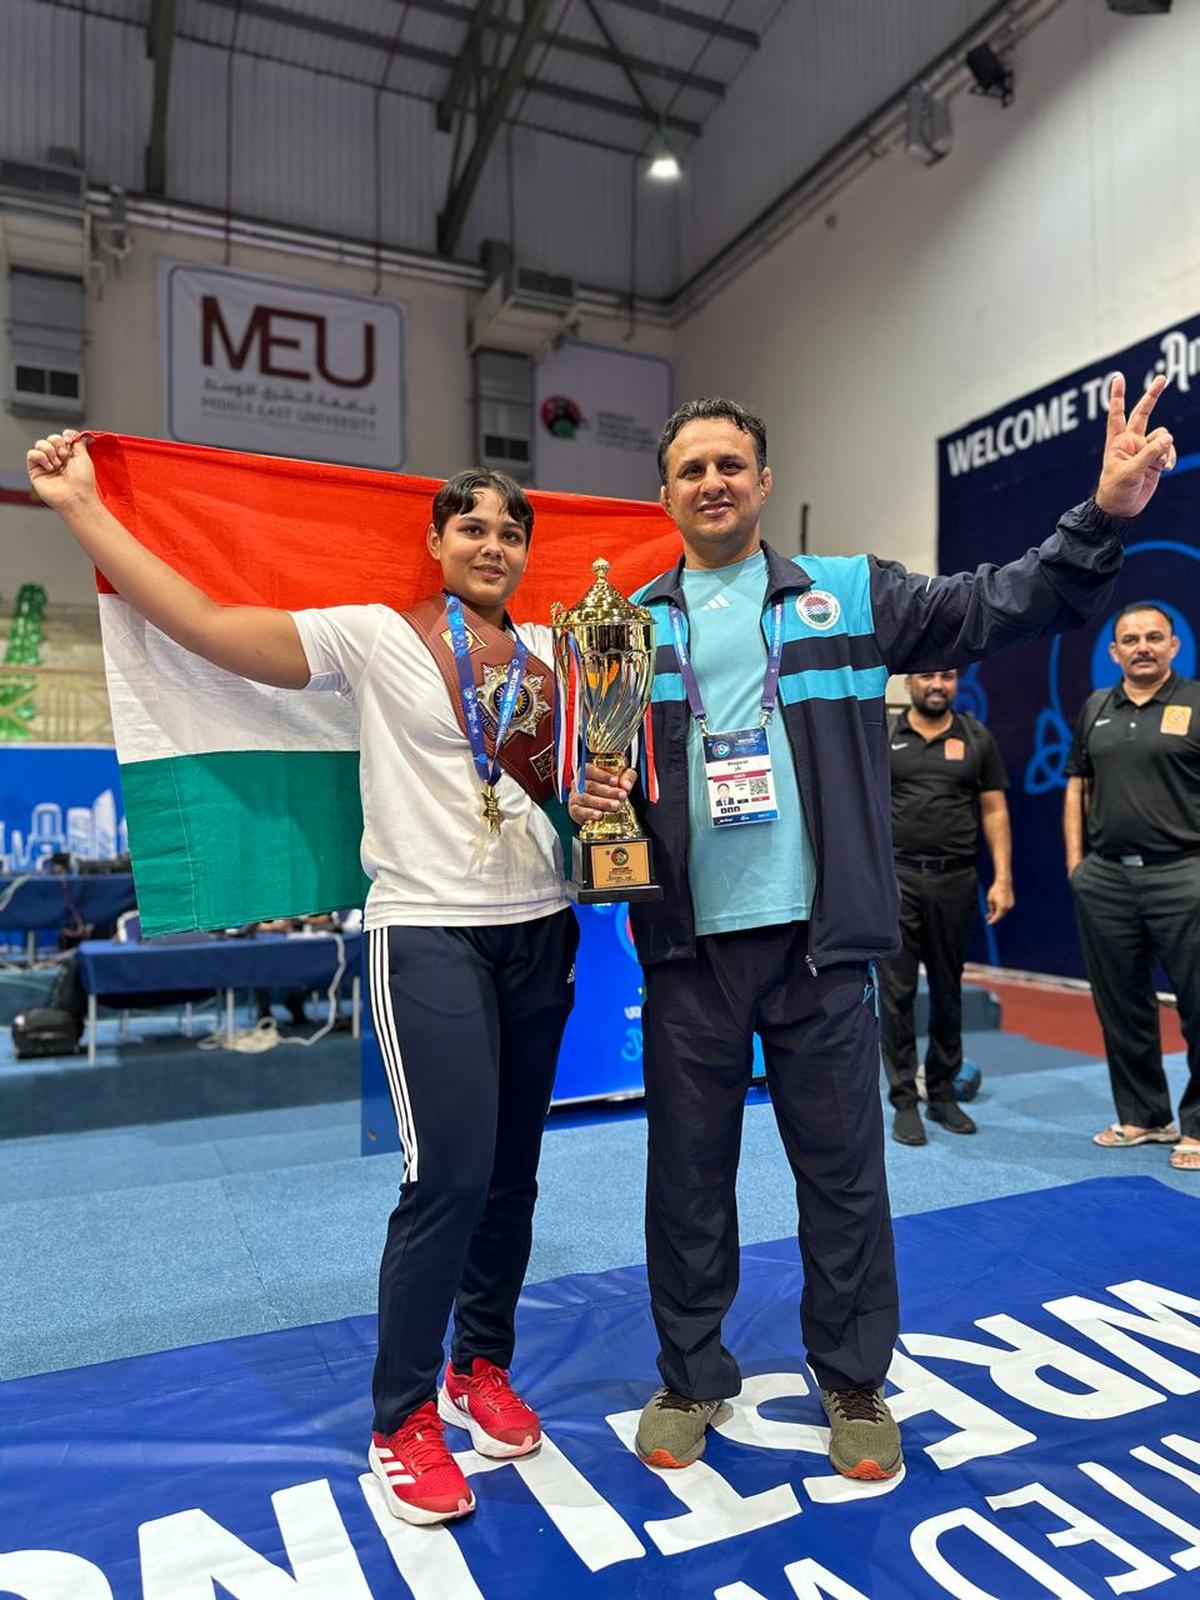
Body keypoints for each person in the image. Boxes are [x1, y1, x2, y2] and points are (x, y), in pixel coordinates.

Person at [569, 378, 1175, 1482]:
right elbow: (593, 773)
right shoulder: (623, 624)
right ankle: (692, 1370)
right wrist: (593, 798)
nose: (711, 480)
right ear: (662, 492)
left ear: (764, 482)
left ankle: (852, 1377)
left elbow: (999, 601)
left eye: (729, 463)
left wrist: (1101, 512)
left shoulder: (844, 595)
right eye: (690, 467)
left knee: (845, 1174)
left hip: (820, 940)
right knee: (685, 1175)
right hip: (688, 948)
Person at [26, 432, 579, 1526]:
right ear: (434, 540)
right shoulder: (380, 637)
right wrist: (83, 512)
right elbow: (213, 630)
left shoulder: (561, 652)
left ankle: (481, 1366)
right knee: (450, 1175)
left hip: (541, 927)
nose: (492, 541)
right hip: (427, 930)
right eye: (471, 523)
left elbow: (586, 776)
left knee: (513, 1175)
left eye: (511, 530)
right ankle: (401, 1417)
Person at [1064, 601, 1200, 1173]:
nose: (1142, 646)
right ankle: (1146, 1115)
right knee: (1122, 1006)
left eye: (1153, 637)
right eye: (1129, 639)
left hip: (1184, 874)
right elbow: (1077, 787)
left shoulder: (1195, 704)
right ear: (1114, 652)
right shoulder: (1097, 706)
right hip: (1108, 880)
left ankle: (1196, 1127)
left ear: (1173, 646)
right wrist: (1077, 864)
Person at [880, 669, 1012, 1145]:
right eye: (928, 675)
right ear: (909, 684)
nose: (938, 683)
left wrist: (1003, 878)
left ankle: (941, 1093)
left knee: (947, 988)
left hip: (956, 879)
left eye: (948, 676)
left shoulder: (977, 738)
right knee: (895, 994)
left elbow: (994, 808)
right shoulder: (886, 735)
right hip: (897, 879)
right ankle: (902, 1100)